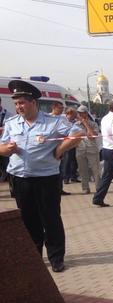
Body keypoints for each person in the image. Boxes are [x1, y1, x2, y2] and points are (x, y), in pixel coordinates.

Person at [0, 80, 83, 272]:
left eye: (22, 102)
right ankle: (34, 257)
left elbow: (77, 134)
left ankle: (56, 258)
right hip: (20, 179)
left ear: (33, 103)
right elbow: (1, 147)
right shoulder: (11, 123)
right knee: (28, 219)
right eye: (17, 103)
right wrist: (7, 149)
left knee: (50, 218)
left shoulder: (53, 122)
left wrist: (60, 150)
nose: (19, 107)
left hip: (46, 179)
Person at [75, 105, 100, 194]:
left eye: (83, 113)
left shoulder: (93, 124)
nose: (81, 115)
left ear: (86, 113)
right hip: (80, 150)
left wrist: (86, 124)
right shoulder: (75, 125)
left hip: (92, 150)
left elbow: (92, 137)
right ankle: (85, 188)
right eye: (79, 113)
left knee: (96, 170)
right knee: (82, 170)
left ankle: (98, 188)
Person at [0, 97, 9, 182]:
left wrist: (3, 129)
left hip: (4, 145)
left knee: (7, 168)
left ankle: (12, 189)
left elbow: (11, 128)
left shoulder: (8, 114)